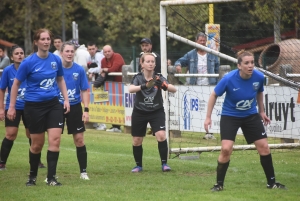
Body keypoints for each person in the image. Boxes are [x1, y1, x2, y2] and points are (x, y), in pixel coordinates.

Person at [204, 50, 286, 191]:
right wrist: (208, 117)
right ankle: (219, 185)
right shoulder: (228, 79)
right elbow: (214, 95)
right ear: (239, 66)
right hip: (230, 116)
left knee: (264, 147)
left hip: (250, 115)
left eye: (252, 62)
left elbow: (259, 92)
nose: (250, 66)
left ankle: (272, 183)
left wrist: (261, 111)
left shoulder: (259, 77)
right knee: (226, 149)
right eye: (246, 63)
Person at [7, 28, 70, 186]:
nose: (46, 41)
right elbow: (15, 84)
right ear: (36, 42)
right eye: (42, 39)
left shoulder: (55, 60)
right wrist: (12, 107)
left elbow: (60, 79)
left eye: (48, 39)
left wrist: (66, 100)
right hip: (34, 107)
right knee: (37, 144)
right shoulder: (28, 62)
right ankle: (32, 177)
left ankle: (51, 178)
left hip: (54, 104)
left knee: (55, 140)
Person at [128, 53, 177, 173]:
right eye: (148, 61)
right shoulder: (138, 77)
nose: (150, 64)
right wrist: (145, 86)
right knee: (137, 140)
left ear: (155, 64)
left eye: (152, 62)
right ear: (142, 63)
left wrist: (164, 85)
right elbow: (130, 89)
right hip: (140, 111)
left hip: (156, 111)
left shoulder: (159, 77)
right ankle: (138, 165)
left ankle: (164, 164)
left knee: (161, 135)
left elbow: (174, 89)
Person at [0, 45, 45, 170]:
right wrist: (2, 108)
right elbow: (2, 89)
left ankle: (36, 161)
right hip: (13, 106)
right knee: (10, 134)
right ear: (12, 57)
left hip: (30, 106)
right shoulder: (8, 71)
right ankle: (2, 162)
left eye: (21, 53)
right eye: (16, 53)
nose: (19, 55)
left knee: (32, 134)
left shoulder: (30, 69)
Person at [58, 41, 90, 180]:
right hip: (57, 107)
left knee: (79, 140)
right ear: (61, 53)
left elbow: (84, 90)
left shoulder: (79, 70)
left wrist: (86, 109)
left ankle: (83, 172)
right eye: (67, 51)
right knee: (54, 140)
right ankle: (51, 174)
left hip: (75, 107)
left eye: (72, 52)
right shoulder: (55, 70)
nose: (70, 54)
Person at [94, 45, 125, 132]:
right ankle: (115, 126)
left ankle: (119, 127)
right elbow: (106, 72)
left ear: (112, 51)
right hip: (111, 86)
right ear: (103, 53)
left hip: (121, 85)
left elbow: (113, 69)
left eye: (109, 51)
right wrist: (105, 71)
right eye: (105, 52)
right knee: (112, 106)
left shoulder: (117, 56)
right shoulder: (103, 60)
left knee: (120, 106)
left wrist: (104, 69)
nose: (107, 53)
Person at [139, 38, 161, 135]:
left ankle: (155, 127)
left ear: (151, 46)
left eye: (146, 45)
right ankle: (144, 127)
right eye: (143, 45)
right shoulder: (140, 55)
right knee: (142, 105)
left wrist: (154, 82)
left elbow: (158, 71)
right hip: (143, 85)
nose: (144, 47)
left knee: (154, 105)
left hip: (153, 84)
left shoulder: (156, 56)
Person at [85, 42, 106, 131]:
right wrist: (92, 71)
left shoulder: (98, 55)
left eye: (93, 49)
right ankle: (96, 122)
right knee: (96, 101)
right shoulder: (89, 57)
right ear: (87, 49)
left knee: (102, 101)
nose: (92, 51)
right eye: (90, 49)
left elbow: (100, 68)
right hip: (95, 81)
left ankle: (103, 124)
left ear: (96, 48)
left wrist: (91, 70)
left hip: (102, 81)